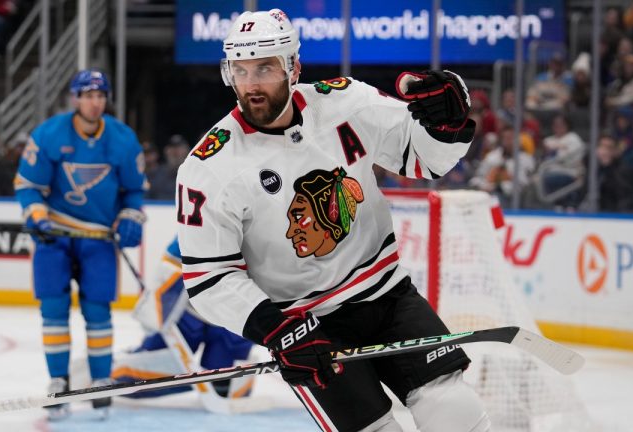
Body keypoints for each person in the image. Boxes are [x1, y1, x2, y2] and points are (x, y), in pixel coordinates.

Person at [175, 9, 489, 432]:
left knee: (455, 413)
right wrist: (278, 330)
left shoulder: (345, 102)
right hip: (307, 324)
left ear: (293, 67)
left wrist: (446, 124)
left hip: (388, 297)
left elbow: (423, 159)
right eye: (240, 70)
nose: (251, 84)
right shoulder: (208, 167)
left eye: (265, 68)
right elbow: (208, 279)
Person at [14, 69, 146, 420]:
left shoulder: (122, 139)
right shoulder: (49, 134)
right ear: (75, 98)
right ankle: (58, 380)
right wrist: (36, 214)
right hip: (54, 237)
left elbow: (133, 191)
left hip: (98, 240)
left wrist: (131, 216)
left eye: (100, 95)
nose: (94, 102)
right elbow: (28, 186)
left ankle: (101, 380)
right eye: (88, 95)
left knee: (98, 313)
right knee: (54, 311)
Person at [112, 235, 255, 405]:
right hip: (187, 316)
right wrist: (155, 311)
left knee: (228, 391)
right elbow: (170, 267)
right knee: (129, 380)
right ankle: (100, 368)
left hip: (234, 321)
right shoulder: (207, 218)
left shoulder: (271, 228)